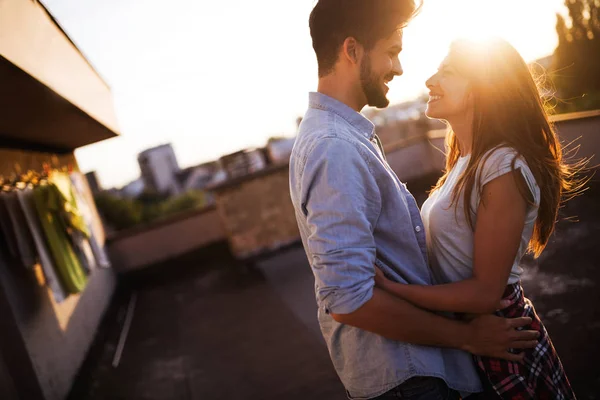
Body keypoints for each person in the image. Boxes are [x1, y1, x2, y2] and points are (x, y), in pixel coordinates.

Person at [289, 1, 539, 399]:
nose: (400, 69)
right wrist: (466, 337)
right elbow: (348, 300)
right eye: (392, 52)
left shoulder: (345, 138)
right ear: (352, 51)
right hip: (408, 378)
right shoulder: (334, 147)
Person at [374, 38, 581, 399]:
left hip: (499, 336)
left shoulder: (502, 166)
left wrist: (395, 292)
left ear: (483, 88)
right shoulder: (464, 162)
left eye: (448, 72)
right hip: (473, 335)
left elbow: (486, 293)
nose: (430, 80)